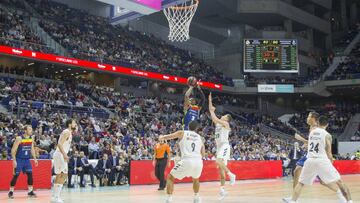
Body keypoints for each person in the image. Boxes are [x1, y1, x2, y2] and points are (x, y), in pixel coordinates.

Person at [283, 116, 353, 203]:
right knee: (339, 181)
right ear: (327, 124)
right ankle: (349, 201)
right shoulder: (327, 135)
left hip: (310, 160)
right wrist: (330, 162)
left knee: (301, 183)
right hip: (322, 160)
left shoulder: (312, 132)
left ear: (317, 122)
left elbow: (310, 143)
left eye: (309, 116)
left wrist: (301, 139)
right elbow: (329, 152)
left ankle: (293, 200)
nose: (308, 118)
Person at [159, 121, 205, 203]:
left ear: (188, 126)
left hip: (187, 160)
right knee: (196, 179)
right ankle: (196, 197)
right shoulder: (200, 137)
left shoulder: (183, 133)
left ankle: (169, 198)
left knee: (170, 177)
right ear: (196, 128)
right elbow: (203, 153)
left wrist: (163, 137)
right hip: (198, 162)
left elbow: (171, 136)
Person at [208, 93, 236, 200]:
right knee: (221, 169)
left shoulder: (226, 124)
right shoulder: (219, 124)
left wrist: (212, 111)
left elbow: (215, 118)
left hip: (224, 146)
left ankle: (231, 175)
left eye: (224, 115)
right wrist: (210, 102)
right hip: (219, 147)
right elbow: (213, 117)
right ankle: (222, 190)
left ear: (227, 119)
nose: (223, 115)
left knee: (218, 161)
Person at [8, 125, 38, 199]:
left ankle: (30, 192)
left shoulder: (31, 138)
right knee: (16, 176)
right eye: (30, 129)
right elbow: (13, 150)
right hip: (19, 159)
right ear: (25, 130)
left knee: (30, 175)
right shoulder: (19, 138)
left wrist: (35, 159)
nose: (31, 131)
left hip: (27, 160)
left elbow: (32, 149)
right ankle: (11, 192)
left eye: (31, 129)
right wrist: (14, 160)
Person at [52, 119, 77, 203]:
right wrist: (64, 154)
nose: (75, 124)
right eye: (74, 123)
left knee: (60, 175)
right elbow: (59, 143)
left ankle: (55, 197)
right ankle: (56, 197)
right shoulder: (66, 132)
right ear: (70, 124)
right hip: (60, 154)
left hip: (60, 154)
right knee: (63, 174)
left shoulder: (69, 132)